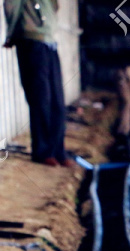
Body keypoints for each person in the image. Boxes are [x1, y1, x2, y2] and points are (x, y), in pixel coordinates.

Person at [3, 0, 73, 167]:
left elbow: (55, 8)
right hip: (32, 41)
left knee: (57, 101)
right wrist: (12, 34)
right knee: (41, 99)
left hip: (49, 43)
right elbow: (11, 6)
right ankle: (42, 152)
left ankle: (58, 150)